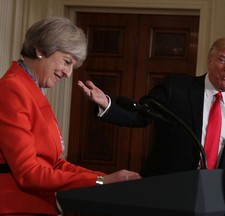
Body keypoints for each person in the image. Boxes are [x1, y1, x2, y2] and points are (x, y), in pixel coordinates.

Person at [77, 37, 225, 177]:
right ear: (210, 60)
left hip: (211, 194)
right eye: (222, 59)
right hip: (166, 188)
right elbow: (140, 116)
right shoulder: (176, 88)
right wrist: (107, 104)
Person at [0, 17, 141, 216]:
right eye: (67, 62)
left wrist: (106, 178)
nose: (68, 73)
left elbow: (55, 164)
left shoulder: (31, 90)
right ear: (41, 50)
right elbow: (28, 173)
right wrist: (101, 181)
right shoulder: (12, 89)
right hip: (15, 208)